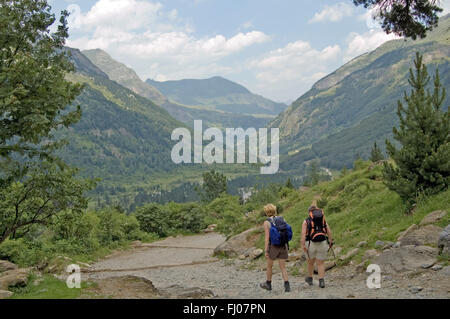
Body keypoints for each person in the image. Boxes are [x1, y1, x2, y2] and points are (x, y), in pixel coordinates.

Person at [260, 204, 291, 292]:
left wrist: (266, 250)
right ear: (275, 210)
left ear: (266, 212)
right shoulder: (282, 219)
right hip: (283, 245)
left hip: (273, 246)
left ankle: (268, 284)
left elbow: (267, 238)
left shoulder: (267, 222)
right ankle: (287, 285)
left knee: (270, 266)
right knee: (283, 267)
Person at [301, 205, 333, 288]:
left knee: (310, 262)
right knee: (320, 263)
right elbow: (329, 231)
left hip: (310, 243)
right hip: (322, 242)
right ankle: (321, 281)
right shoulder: (323, 220)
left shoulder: (306, 221)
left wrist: (303, 245)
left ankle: (310, 279)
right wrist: (330, 241)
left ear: (309, 212)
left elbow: (303, 234)